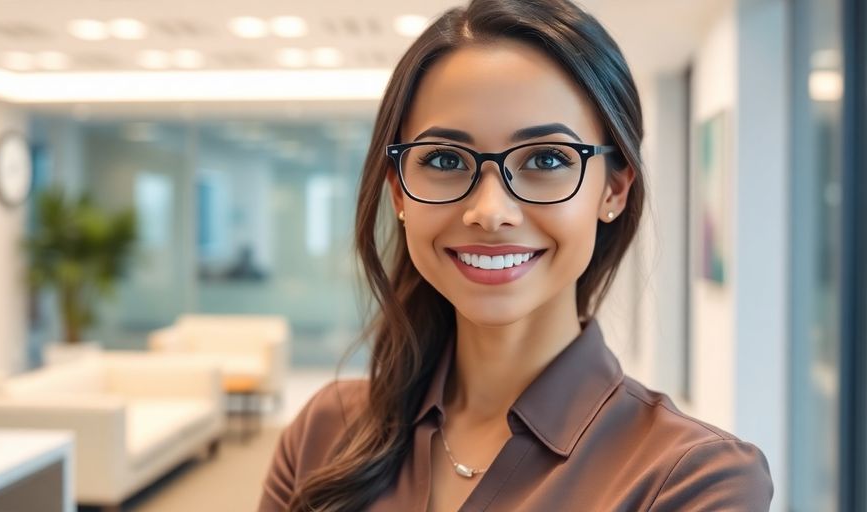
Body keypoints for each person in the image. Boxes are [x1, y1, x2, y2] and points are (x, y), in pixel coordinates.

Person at [258, 0, 773, 510]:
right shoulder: (326, 435)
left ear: (613, 190)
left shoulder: (693, 479)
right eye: (444, 159)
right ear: (399, 193)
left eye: (546, 158)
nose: (490, 211)